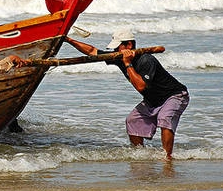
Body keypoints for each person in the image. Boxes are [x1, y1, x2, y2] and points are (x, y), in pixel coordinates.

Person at [65, 29, 189, 159]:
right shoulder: (119, 57)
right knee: (133, 120)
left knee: (164, 118)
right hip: (153, 99)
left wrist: (128, 63)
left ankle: (167, 158)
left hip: (175, 95)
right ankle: (140, 155)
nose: (115, 51)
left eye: (117, 47)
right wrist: (68, 40)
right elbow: (92, 51)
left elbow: (141, 86)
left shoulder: (146, 60)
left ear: (129, 45)